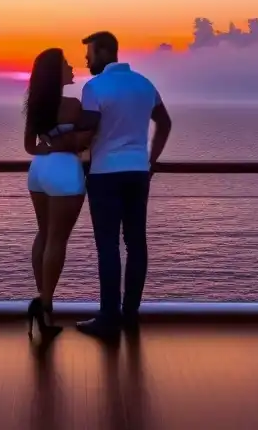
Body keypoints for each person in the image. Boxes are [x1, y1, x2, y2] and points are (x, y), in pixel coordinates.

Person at [43, 31, 172, 341]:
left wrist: (52, 140)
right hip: (138, 173)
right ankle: (131, 314)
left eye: (89, 53)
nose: (86, 60)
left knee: (108, 246)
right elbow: (165, 122)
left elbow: (86, 133)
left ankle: (109, 317)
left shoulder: (95, 87)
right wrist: (151, 160)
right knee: (136, 243)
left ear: (103, 52)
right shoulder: (144, 84)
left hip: (104, 174)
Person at [23, 48, 91, 344]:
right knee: (57, 240)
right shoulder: (74, 105)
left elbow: (30, 146)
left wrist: (49, 147)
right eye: (66, 64)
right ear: (56, 73)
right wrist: (67, 146)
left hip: (38, 172)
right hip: (65, 174)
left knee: (43, 234)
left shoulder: (36, 105)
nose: (72, 66)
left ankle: (42, 299)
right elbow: (85, 141)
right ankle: (45, 305)